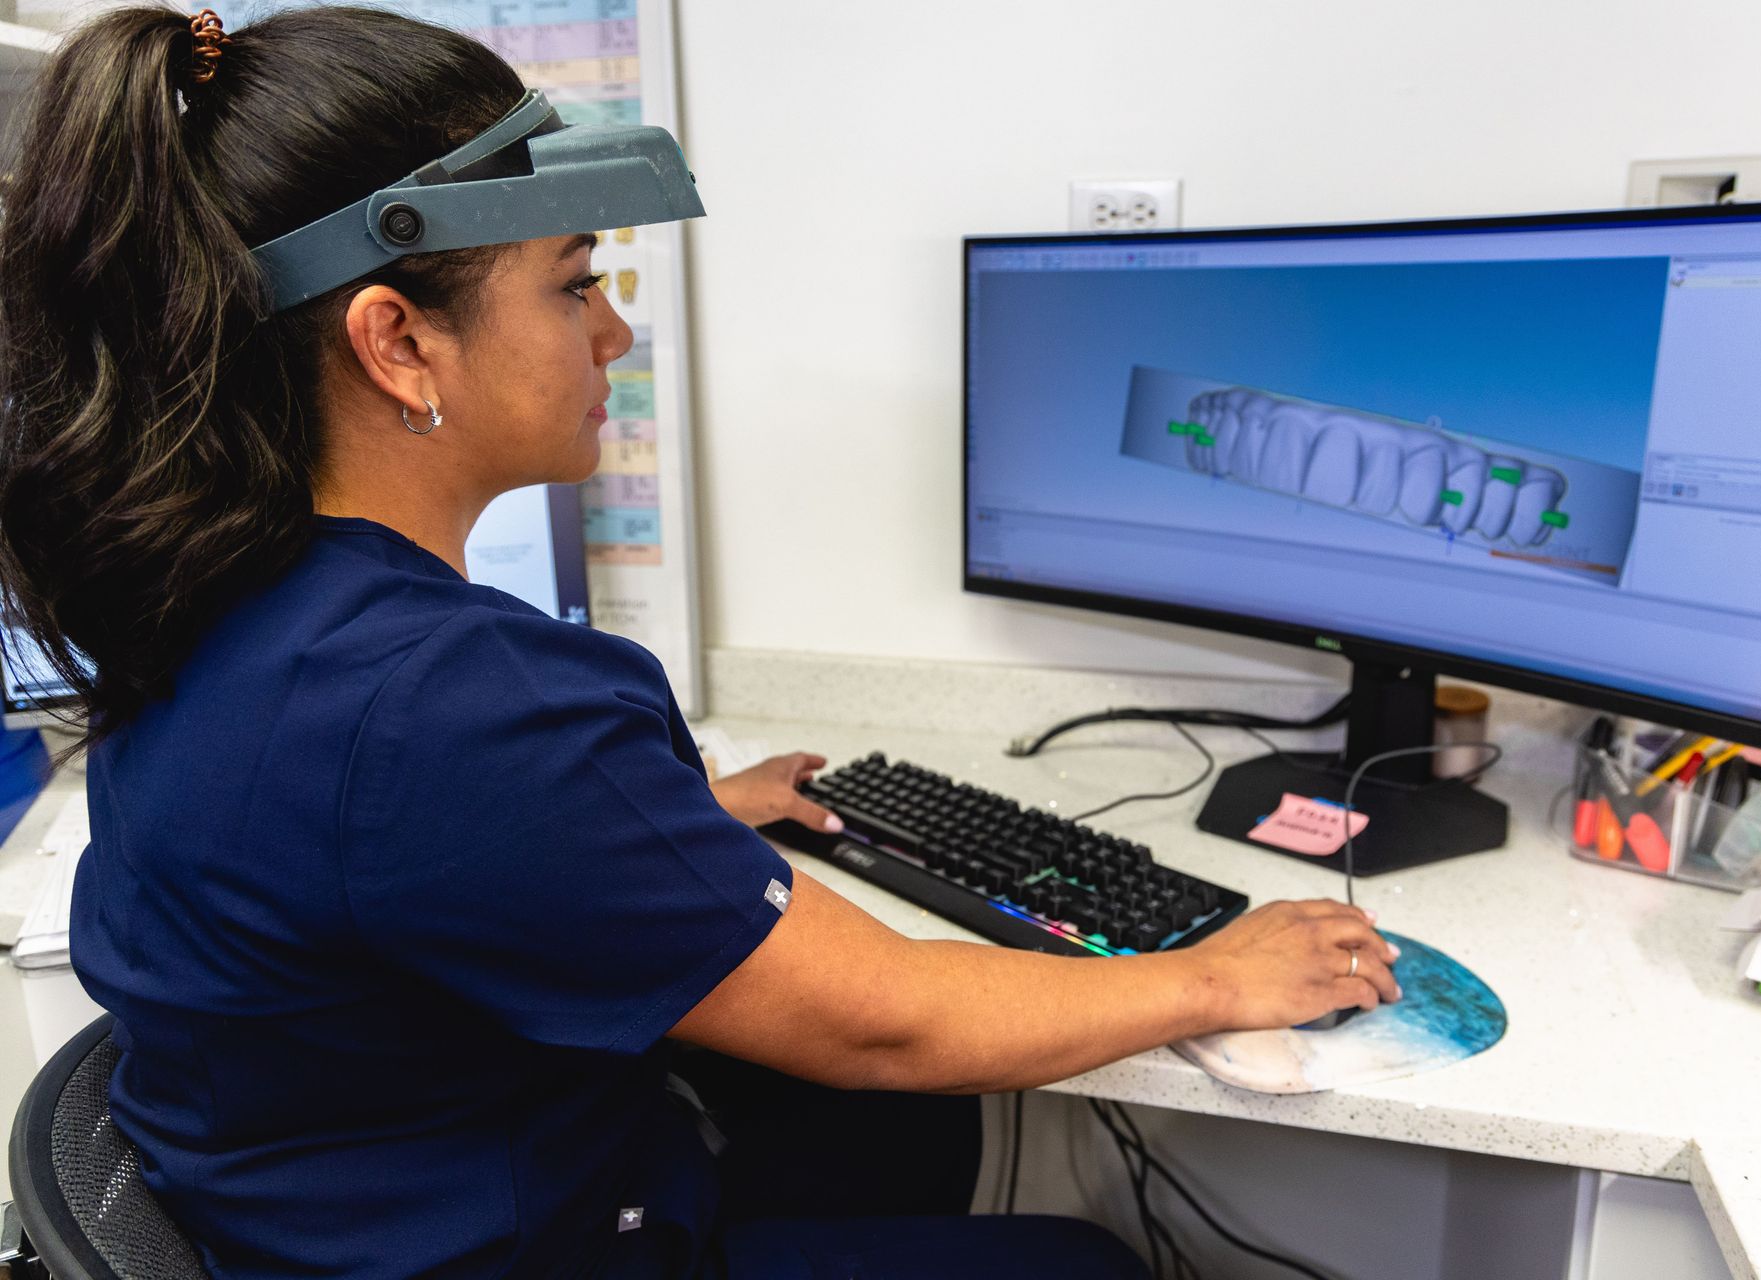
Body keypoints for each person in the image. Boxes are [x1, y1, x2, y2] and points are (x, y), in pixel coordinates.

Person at [0, 6, 1401, 1278]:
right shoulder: (453, 707)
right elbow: (886, 1019)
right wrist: (1213, 974)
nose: (610, 332)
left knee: (900, 1148)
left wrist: (652, 827)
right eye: (571, 283)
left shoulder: (201, 593)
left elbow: (379, 847)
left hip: (333, 1216)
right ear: (399, 342)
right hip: (491, 1250)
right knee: (1072, 1262)